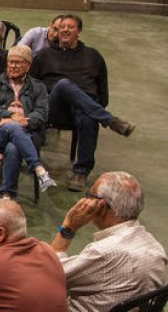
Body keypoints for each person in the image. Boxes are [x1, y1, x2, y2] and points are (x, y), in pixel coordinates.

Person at [50, 171, 167, 312]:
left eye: (89, 196)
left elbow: (49, 275)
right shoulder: (156, 248)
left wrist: (68, 228)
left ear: (101, 206)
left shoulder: (104, 252)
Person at [30, 14, 133, 191]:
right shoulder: (44, 56)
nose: (65, 30)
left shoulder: (93, 56)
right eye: (62, 26)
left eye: (70, 27)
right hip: (55, 109)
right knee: (63, 85)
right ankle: (109, 120)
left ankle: (81, 172)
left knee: (88, 117)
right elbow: (31, 86)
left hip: (84, 110)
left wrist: (90, 107)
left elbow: (103, 93)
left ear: (79, 31)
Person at [0, 44, 56, 199]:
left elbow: (42, 114)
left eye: (18, 63)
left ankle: (7, 195)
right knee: (12, 127)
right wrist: (9, 115)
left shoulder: (38, 87)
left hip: (28, 133)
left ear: (28, 66)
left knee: (13, 148)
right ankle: (39, 169)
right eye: (11, 62)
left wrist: (24, 122)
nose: (13, 66)